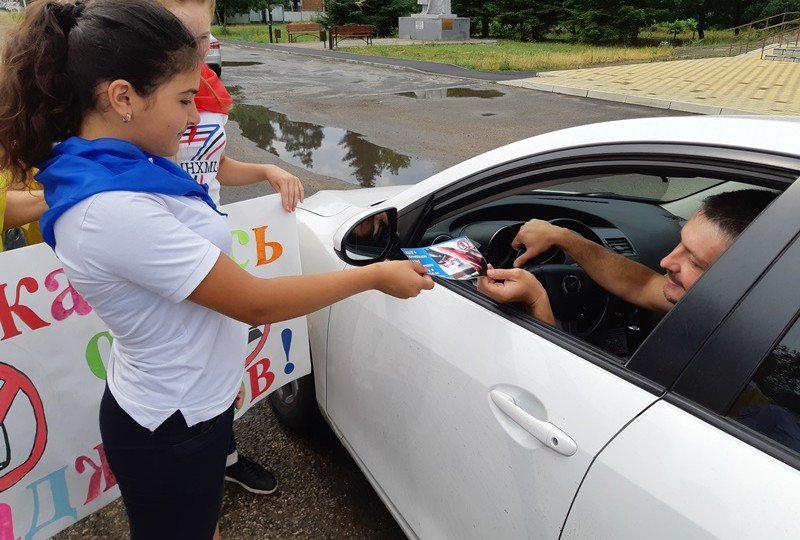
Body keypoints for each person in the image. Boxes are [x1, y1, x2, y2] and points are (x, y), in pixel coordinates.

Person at [0, 2, 433, 539]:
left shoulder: (119, 168)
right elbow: (254, 302)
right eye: (184, 100)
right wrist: (373, 275)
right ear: (122, 97)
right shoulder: (109, 207)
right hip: (172, 425)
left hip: (189, 406)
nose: (191, 116)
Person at [163, 0, 298, 496]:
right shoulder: (138, 91)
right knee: (178, 366)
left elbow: (214, 167)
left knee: (222, 358)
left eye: (207, 31)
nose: (206, 41)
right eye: (195, 31)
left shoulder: (208, 87)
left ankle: (224, 456)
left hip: (213, 244)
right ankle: (172, 474)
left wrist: (266, 170)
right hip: (161, 253)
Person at [478, 189, 778, 326]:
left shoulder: (729, 360)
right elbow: (642, 284)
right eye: (680, 243)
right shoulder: (724, 304)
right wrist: (564, 237)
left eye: (695, 262)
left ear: (747, 279)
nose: (666, 262)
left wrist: (536, 302)